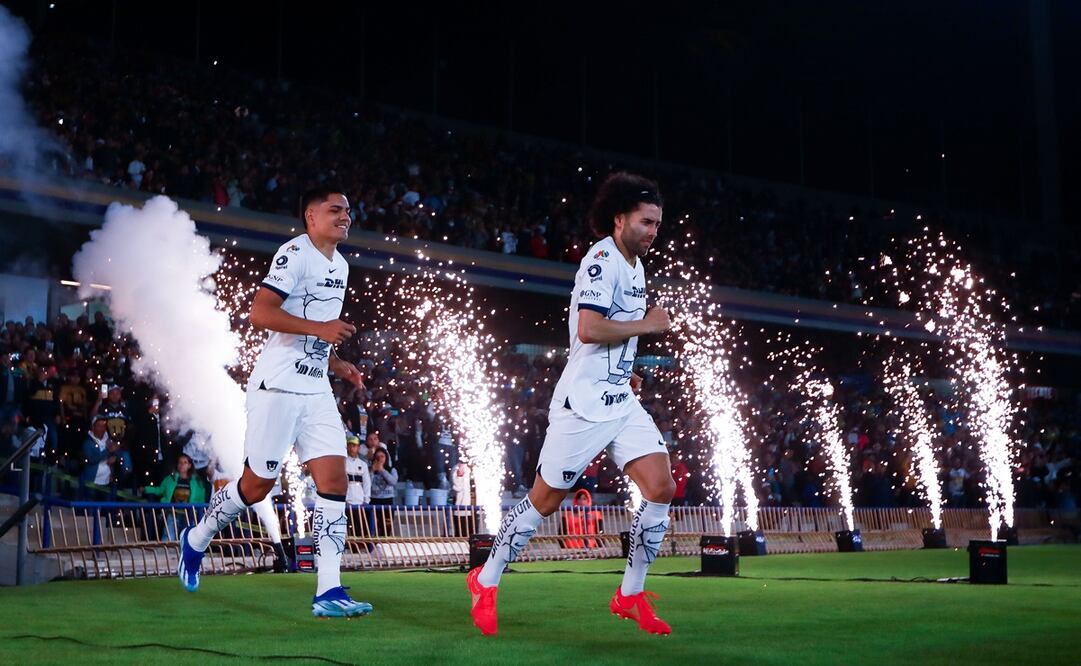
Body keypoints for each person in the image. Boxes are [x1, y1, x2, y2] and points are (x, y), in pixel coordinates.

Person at [468, 172, 675, 636]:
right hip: (582, 406)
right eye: (646, 222)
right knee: (543, 502)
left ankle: (630, 595)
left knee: (660, 486)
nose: (653, 232)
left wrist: (627, 368)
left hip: (619, 400)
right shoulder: (601, 258)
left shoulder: (637, 266)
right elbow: (589, 329)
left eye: (658, 224)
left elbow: (610, 335)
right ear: (619, 219)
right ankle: (485, 579)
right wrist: (647, 327)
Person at [178, 188, 372, 617]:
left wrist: (337, 364)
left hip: (316, 388)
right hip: (277, 386)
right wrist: (321, 329)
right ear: (310, 216)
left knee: (334, 483)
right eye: (335, 210)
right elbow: (261, 313)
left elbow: (315, 330)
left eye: (348, 211)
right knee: (255, 485)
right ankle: (197, 538)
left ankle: (329, 591)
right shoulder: (294, 253)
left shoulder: (339, 264)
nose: (345, 217)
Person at [143, 454, 210, 540]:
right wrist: (146, 489)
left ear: (189, 465)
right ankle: (167, 552)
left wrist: (198, 512)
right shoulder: (170, 479)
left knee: (189, 537)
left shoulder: (196, 481)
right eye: (180, 463)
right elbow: (160, 490)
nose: (182, 465)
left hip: (189, 513)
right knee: (168, 535)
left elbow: (200, 498)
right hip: (173, 512)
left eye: (185, 462)